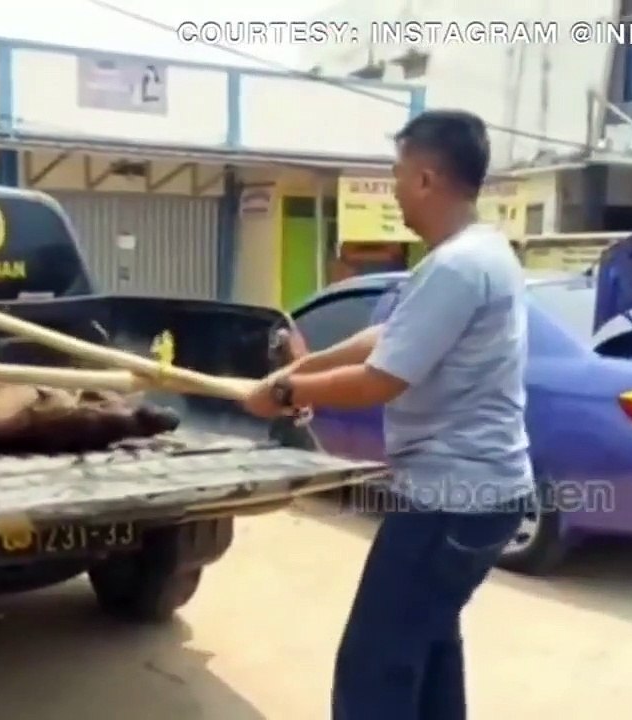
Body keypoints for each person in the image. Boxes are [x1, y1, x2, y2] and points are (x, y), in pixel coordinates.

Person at [239, 110, 533, 719]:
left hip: (452, 500)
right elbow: (387, 338)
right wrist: (300, 371)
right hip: (480, 496)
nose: (393, 187)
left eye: (397, 174)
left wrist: (285, 396)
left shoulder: (456, 267)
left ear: (427, 179)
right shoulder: (478, 253)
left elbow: (382, 380)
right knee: (428, 642)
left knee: (375, 665)